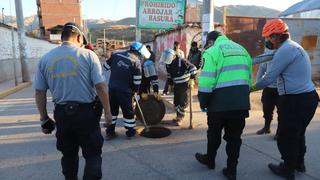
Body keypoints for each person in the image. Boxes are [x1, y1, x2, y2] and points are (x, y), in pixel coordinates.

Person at [34, 22, 112, 180]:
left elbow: (39, 91)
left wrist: (44, 119)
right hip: (86, 114)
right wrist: (109, 114)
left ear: (62, 37)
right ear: (78, 37)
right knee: (92, 154)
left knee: (68, 155)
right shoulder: (88, 55)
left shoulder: (45, 59)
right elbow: (101, 87)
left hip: (62, 116)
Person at [252, 19, 319, 180]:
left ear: (275, 36)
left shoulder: (285, 51)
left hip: (296, 100)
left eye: (268, 37)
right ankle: (299, 164)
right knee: (297, 134)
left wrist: (249, 88)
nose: (266, 41)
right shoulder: (292, 46)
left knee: (285, 136)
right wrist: (249, 61)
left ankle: (288, 169)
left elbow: (268, 79)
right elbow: (265, 58)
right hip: (307, 98)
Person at [195, 31, 252, 180]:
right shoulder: (242, 49)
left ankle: (210, 160)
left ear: (211, 41)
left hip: (218, 105)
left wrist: (203, 102)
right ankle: (231, 170)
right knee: (234, 138)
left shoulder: (212, 51)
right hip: (240, 104)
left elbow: (206, 81)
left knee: (214, 133)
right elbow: (249, 78)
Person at [105, 42, 150, 140]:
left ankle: (110, 132)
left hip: (112, 89)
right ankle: (130, 132)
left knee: (113, 111)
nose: (141, 56)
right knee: (128, 112)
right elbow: (137, 80)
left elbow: (105, 67)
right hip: (125, 91)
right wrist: (135, 90)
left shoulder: (116, 55)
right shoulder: (136, 62)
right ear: (137, 51)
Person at [160, 48, 197, 126]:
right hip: (177, 84)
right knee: (176, 101)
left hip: (185, 84)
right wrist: (170, 85)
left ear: (173, 56)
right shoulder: (168, 63)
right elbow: (169, 75)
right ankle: (178, 116)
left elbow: (193, 68)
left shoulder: (181, 60)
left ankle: (180, 117)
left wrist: (192, 79)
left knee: (182, 102)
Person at [255, 51, 280, 139]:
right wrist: (258, 83)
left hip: (281, 88)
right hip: (268, 87)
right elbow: (261, 69)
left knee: (282, 111)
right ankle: (266, 127)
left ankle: (279, 131)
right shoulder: (268, 54)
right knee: (267, 109)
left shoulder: (284, 54)